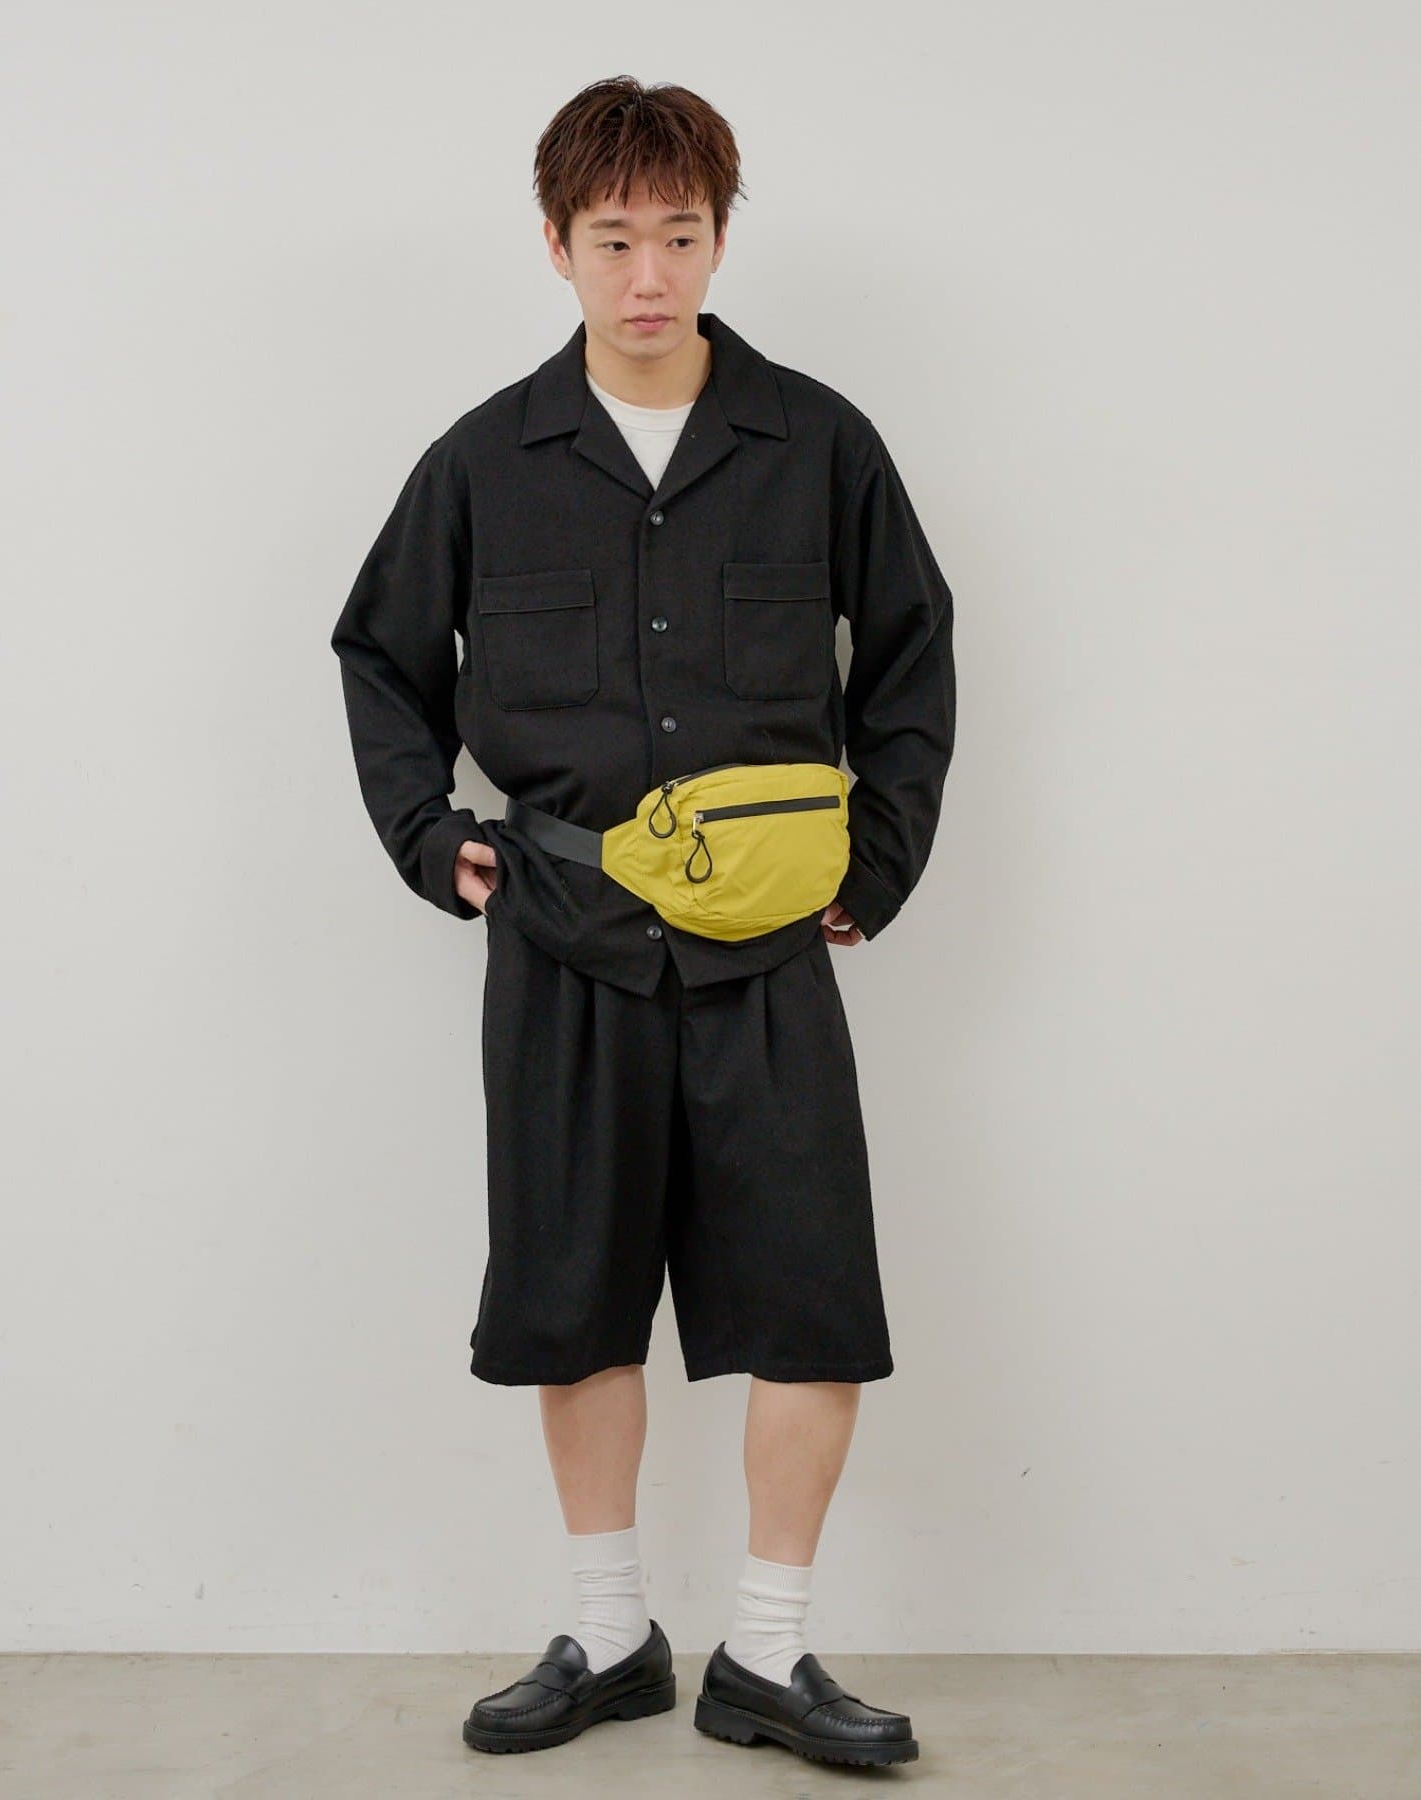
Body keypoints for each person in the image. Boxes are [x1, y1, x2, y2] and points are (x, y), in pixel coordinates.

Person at [329, 74, 955, 1770]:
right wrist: (430, 838)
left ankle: (769, 1654)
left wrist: (878, 860)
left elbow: (910, 657)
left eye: (680, 235)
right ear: (557, 244)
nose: (650, 275)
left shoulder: (819, 443)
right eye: (614, 240)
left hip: (765, 953)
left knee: (810, 1296)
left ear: (720, 237)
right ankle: (610, 1636)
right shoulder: (484, 460)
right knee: (571, 1292)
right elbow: (381, 656)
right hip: (563, 935)